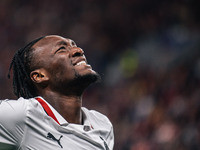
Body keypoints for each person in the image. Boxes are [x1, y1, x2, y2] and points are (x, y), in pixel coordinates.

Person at [0, 35, 114, 150]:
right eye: (62, 49)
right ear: (40, 76)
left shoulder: (102, 124)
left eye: (74, 45)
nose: (79, 50)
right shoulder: (24, 115)